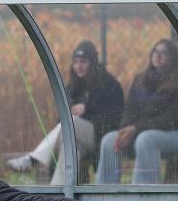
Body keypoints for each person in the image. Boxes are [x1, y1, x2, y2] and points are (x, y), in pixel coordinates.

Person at [7, 40, 124, 184]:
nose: (79, 66)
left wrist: (86, 109)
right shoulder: (74, 85)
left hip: (102, 135)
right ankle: (61, 196)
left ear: (92, 62)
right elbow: (61, 120)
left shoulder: (108, 83)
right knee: (69, 148)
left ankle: (34, 159)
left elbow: (114, 117)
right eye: (75, 62)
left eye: (83, 61)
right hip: (77, 137)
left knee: (70, 124)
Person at [95, 38, 178, 184]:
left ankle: (145, 196)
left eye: (164, 53)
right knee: (110, 140)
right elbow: (129, 109)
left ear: (173, 57)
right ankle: (105, 194)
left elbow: (171, 120)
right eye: (155, 51)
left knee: (146, 139)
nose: (158, 55)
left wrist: (136, 129)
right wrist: (125, 131)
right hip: (139, 133)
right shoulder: (140, 80)